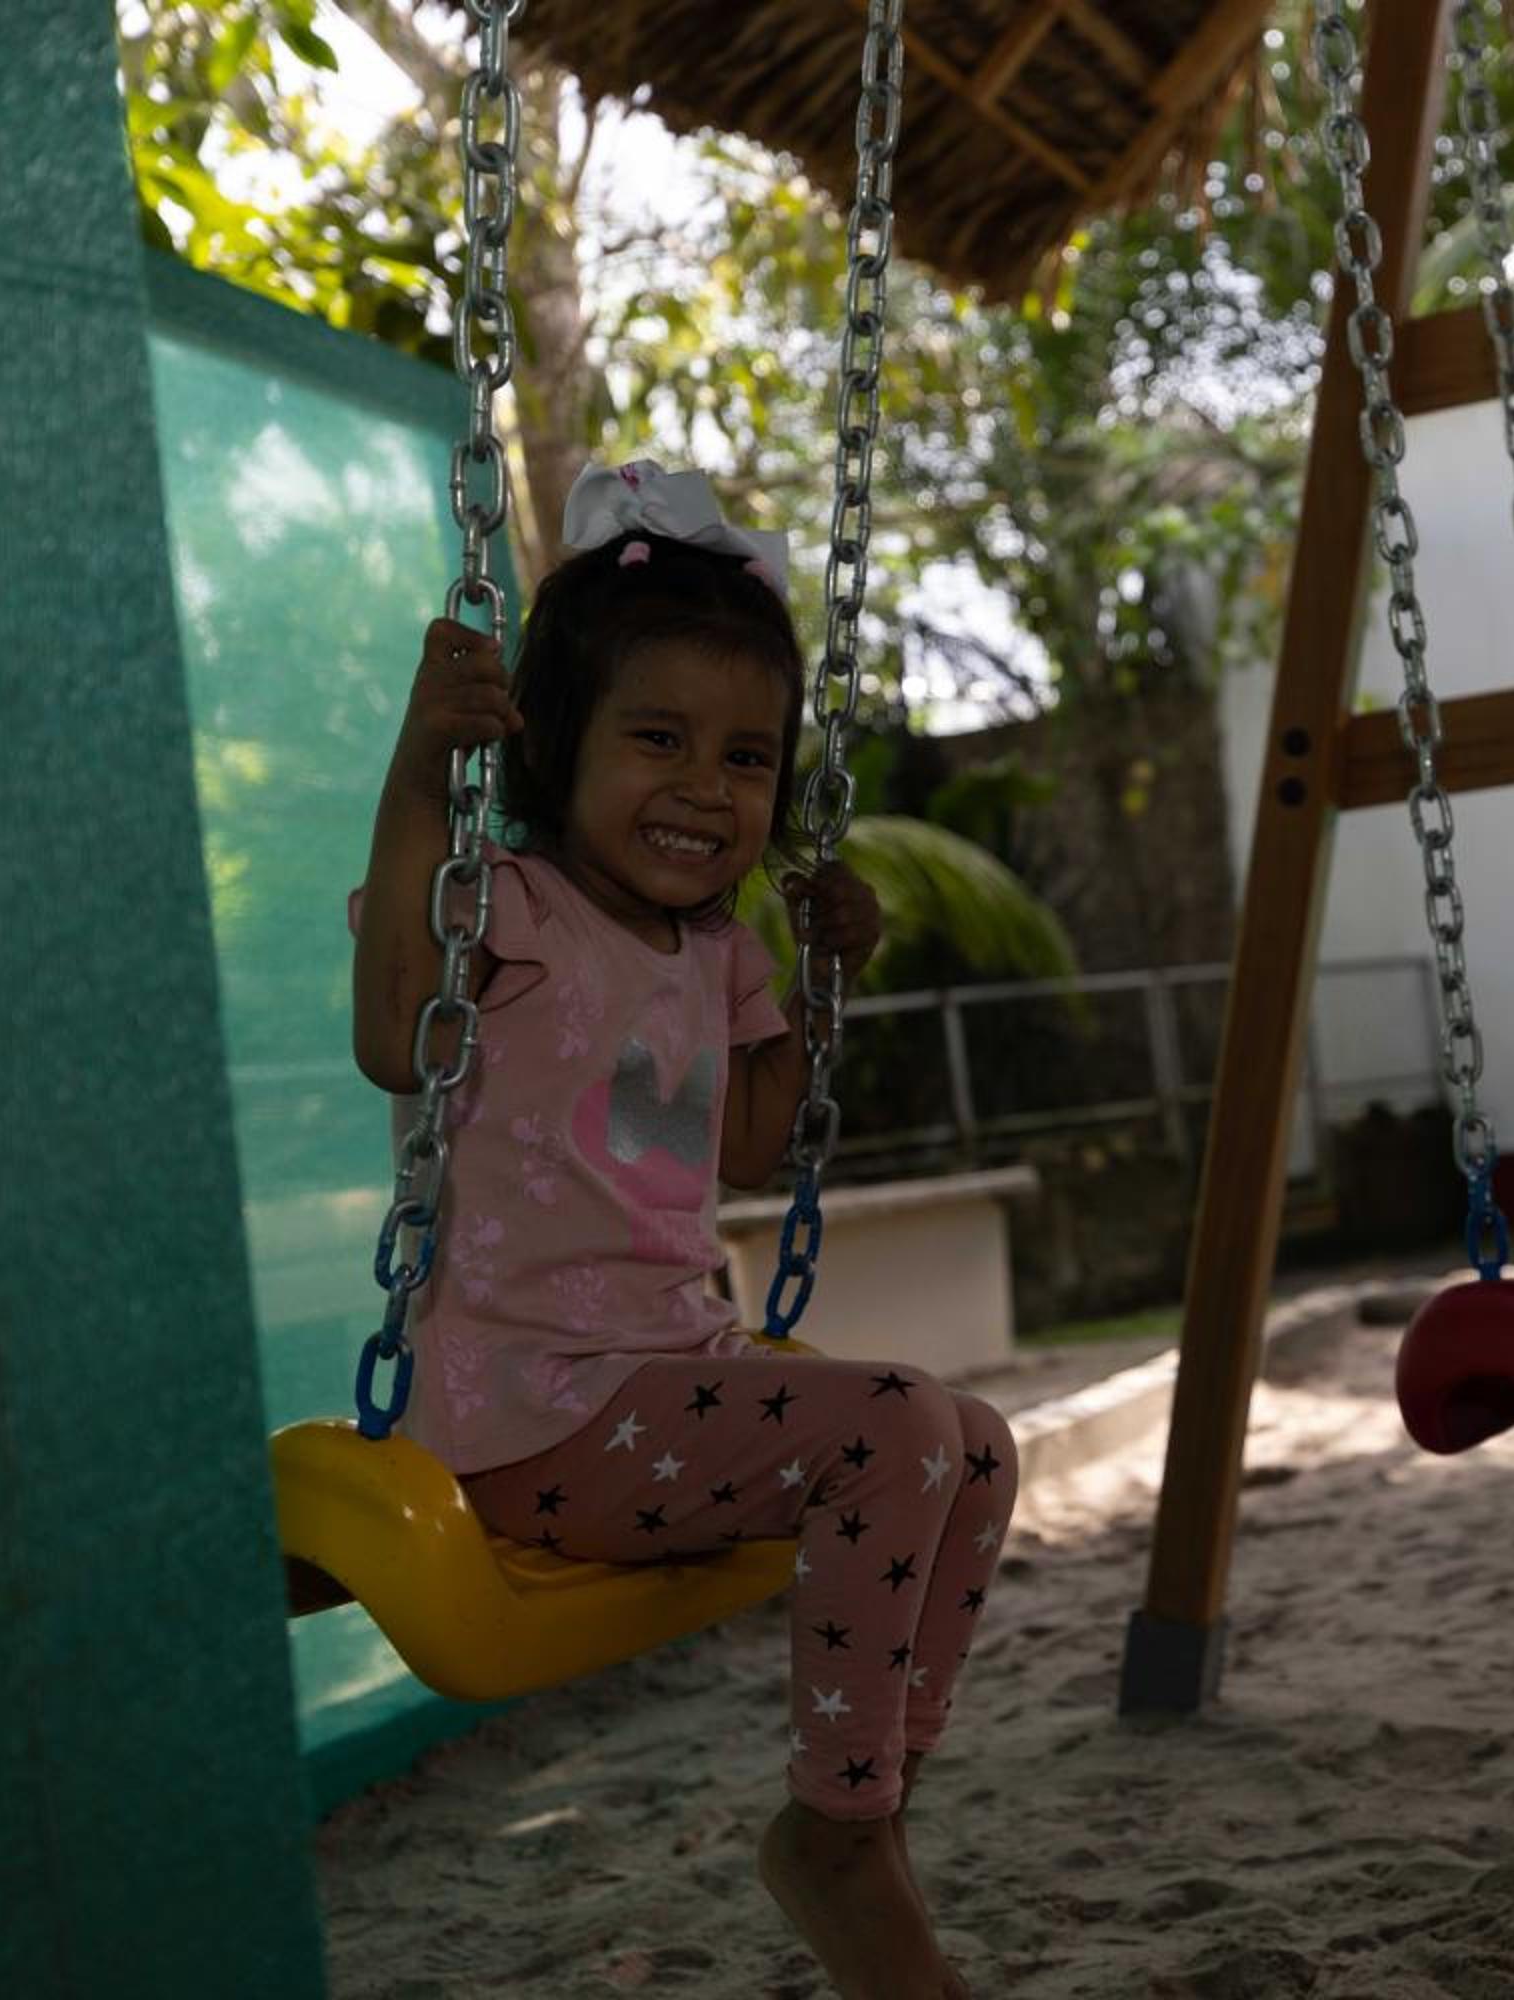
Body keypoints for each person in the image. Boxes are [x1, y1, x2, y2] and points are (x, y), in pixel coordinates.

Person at [354, 460, 1012, 2000]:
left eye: (747, 757)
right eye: (658, 739)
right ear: (550, 742)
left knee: (978, 1445)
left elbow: (753, 1143)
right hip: (530, 1412)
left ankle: (862, 1814)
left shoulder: (712, 952)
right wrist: (417, 768)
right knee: (901, 1427)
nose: (708, 788)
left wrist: (823, 981)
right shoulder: (502, 905)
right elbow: (394, 1035)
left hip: (664, 1381)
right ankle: (840, 1832)